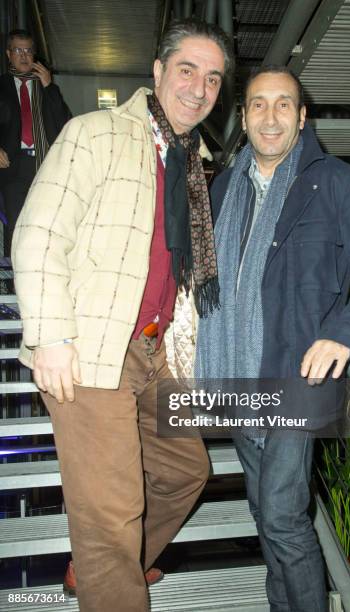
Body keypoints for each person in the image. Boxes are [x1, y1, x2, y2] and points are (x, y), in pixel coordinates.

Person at [12, 19, 233, 612]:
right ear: (157, 73)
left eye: (213, 78)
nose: (199, 87)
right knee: (112, 512)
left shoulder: (192, 161)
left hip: (153, 350)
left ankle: (111, 567)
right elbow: (37, 234)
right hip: (90, 345)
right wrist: (52, 336)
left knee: (187, 471)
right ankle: (111, 576)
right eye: (187, 70)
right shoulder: (95, 134)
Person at [196, 66, 350, 611]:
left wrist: (342, 336)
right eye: (259, 105)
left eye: (283, 104)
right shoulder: (225, 185)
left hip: (299, 373)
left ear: (302, 115)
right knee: (266, 513)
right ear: (244, 116)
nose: (271, 117)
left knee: (286, 517)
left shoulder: (334, 181)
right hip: (240, 371)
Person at [0, 28, 71, 256]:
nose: (23, 55)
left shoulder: (46, 86)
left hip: (45, 166)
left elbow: (64, 124)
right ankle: (13, 282)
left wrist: (49, 86)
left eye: (28, 50)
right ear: (8, 54)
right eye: (18, 50)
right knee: (16, 223)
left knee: (45, 224)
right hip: (12, 166)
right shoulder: (1, 85)